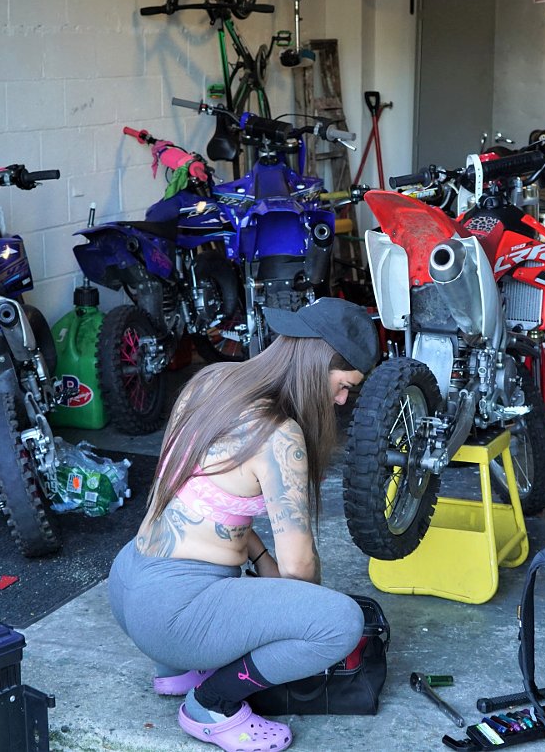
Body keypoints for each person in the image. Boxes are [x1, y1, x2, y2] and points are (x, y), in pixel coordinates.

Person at [107, 297, 380, 752]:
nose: (342, 400)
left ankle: (175, 670)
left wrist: (258, 557)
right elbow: (299, 568)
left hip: (129, 582)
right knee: (339, 623)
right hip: (175, 616)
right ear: (316, 364)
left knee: (257, 593)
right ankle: (211, 704)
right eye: (343, 385)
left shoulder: (211, 381)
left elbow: (203, 497)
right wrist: (301, 609)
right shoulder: (279, 435)